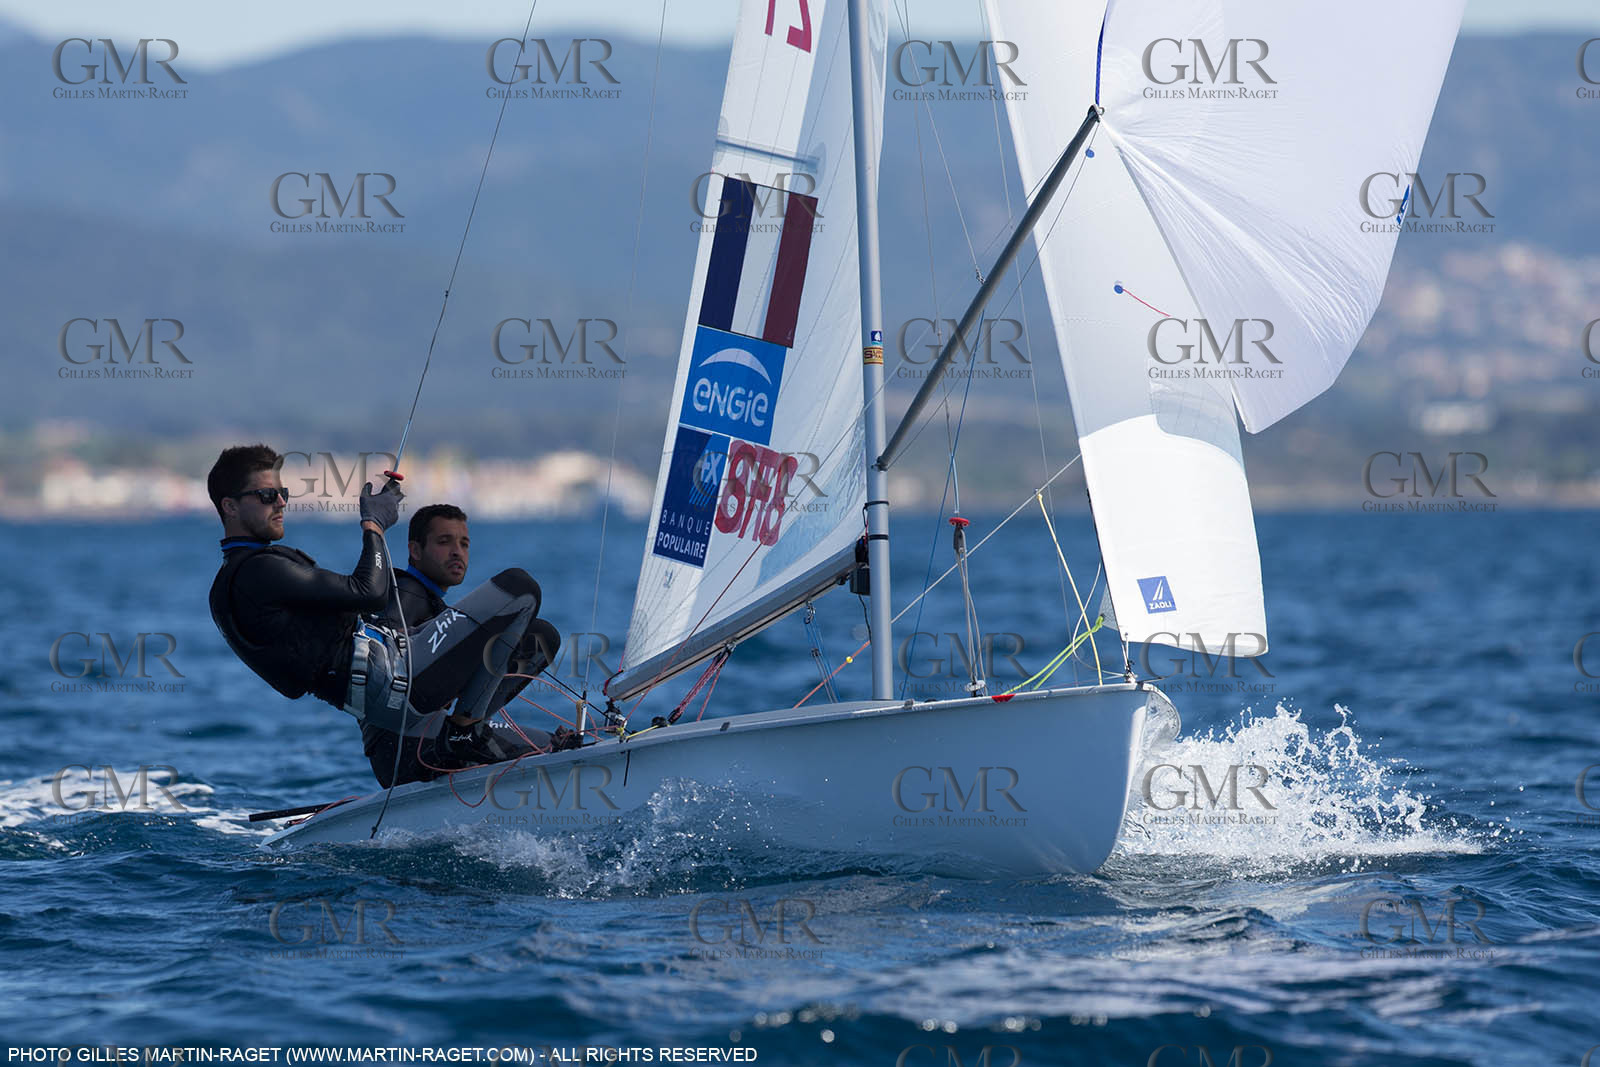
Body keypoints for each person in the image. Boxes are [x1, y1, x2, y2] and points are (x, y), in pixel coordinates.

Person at [206, 444, 560, 788]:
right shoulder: (258, 572)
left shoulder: (231, 585)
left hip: (387, 687)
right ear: (230, 506)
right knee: (520, 587)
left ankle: (463, 733)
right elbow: (370, 593)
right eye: (267, 495)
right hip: (394, 685)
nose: (281, 502)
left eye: (282, 493)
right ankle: (464, 732)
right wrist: (373, 525)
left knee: (540, 640)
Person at [361, 502, 572, 786]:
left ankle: (470, 729)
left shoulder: (430, 602)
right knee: (559, 748)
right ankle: (464, 732)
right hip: (405, 748)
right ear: (415, 550)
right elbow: (385, 654)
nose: (457, 552)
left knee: (540, 638)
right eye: (444, 542)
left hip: (427, 741)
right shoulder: (405, 593)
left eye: (464, 544)